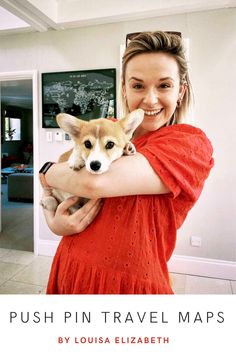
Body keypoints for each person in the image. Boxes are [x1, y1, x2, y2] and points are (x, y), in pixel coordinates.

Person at [41, 31, 214, 294]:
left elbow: (90, 182)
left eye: (164, 85)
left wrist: (47, 170)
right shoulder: (106, 129)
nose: (150, 99)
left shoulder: (189, 143)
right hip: (71, 267)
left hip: (131, 283)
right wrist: (53, 221)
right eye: (138, 85)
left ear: (181, 91)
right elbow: (60, 177)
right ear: (124, 89)